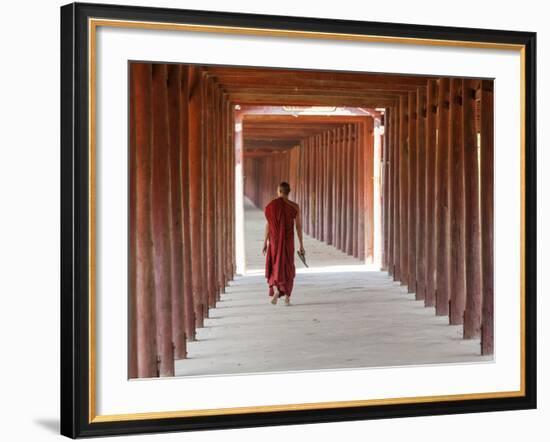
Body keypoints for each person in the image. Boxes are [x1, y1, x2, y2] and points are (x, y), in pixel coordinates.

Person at [262, 182, 305, 306]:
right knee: (287, 267)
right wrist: (301, 244)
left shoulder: (271, 206)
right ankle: (287, 298)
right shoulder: (295, 207)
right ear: (288, 192)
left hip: (274, 242)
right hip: (288, 242)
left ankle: (276, 290)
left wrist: (265, 241)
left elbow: (268, 225)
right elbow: (298, 227)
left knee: (275, 265)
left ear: (279, 191)